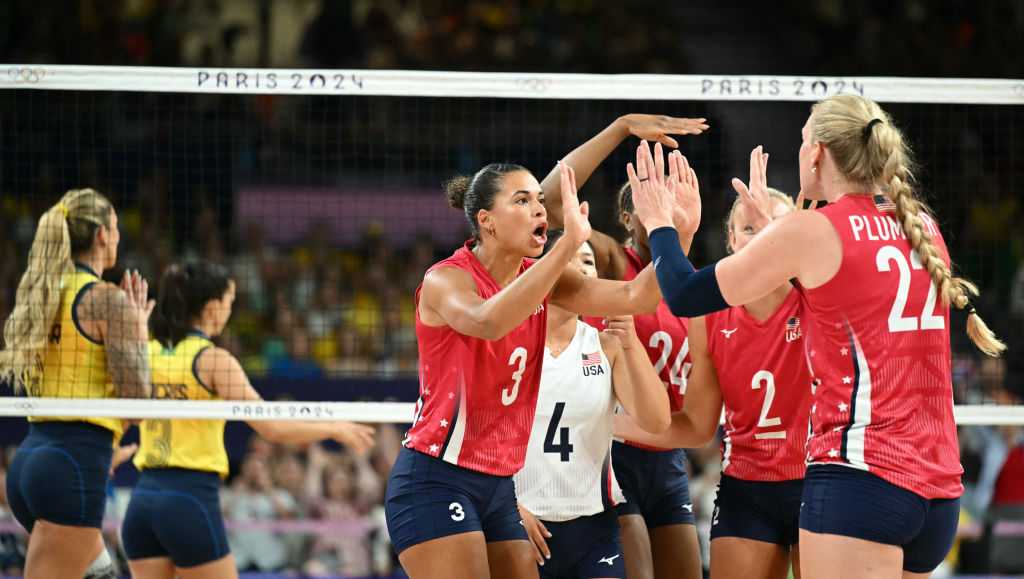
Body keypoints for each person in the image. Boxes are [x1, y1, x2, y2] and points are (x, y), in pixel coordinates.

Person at [630, 94, 1006, 578]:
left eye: (803, 138)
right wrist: (772, 242)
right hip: (936, 489)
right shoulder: (923, 227)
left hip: (863, 480)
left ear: (817, 153)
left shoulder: (814, 230)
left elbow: (682, 294)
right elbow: (841, 295)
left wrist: (661, 223)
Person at [385, 157, 694, 579]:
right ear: (487, 221)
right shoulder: (447, 279)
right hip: (437, 478)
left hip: (498, 486)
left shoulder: (549, 285)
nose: (539, 208)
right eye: (522, 200)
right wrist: (566, 248)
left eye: (539, 200)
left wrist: (672, 232)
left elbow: (637, 297)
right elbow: (489, 322)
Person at [616, 164, 813, 579]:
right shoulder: (709, 316)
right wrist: (606, 424)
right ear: (730, 241)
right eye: (749, 230)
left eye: (773, 230)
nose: (763, 241)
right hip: (747, 485)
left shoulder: (816, 302)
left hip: (818, 481)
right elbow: (696, 427)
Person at [121, 261, 375, 579]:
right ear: (213, 308)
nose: (229, 312)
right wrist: (334, 428)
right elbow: (271, 427)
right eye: (229, 304)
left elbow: (123, 414)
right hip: (188, 500)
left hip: (143, 501)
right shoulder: (214, 360)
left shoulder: (148, 351)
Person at [541, 115, 707, 579]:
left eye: (672, 200)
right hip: (614, 448)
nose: (665, 210)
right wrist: (621, 128)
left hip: (668, 453)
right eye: (653, 202)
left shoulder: (694, 285)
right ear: (630, 217)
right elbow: (552, 207)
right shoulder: (615, 262)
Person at [0, 189, 153, 579]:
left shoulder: (44, 293)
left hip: (34, 460)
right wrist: (139, 330)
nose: (119, 237)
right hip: (71, 469)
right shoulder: (106, 300)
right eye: (116, 228)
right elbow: (138, 401)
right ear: (102, 234)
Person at [514, 231, 671, 579]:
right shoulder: (512, 341)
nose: (582, 270)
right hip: (521, 522)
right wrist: (506, 509)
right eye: (569, 259)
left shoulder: (606, 345)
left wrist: (630, 345)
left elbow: (656, 420)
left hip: (593, 526)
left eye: (588, 262)